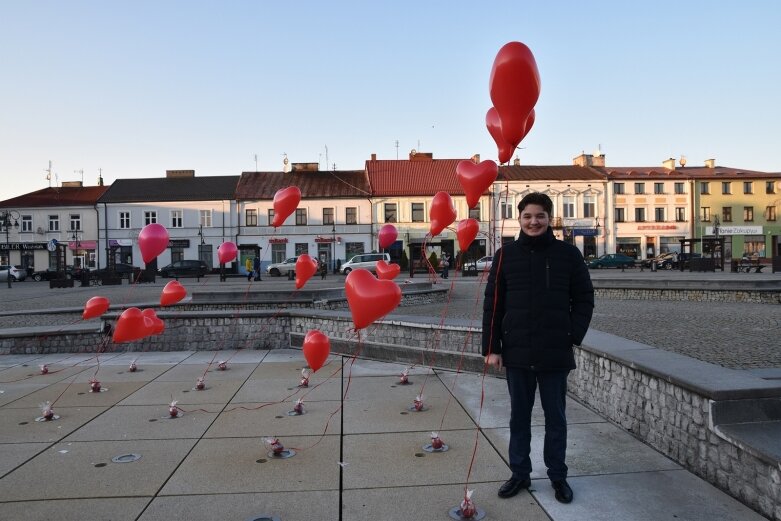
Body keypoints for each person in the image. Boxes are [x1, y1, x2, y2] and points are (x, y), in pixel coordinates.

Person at [482, 192, 594, 505]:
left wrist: (572, 334)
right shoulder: (506, 255)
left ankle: (558, 475)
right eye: (528, 216)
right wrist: (491, 347)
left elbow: (584, 298)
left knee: (555, 418)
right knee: (519, 418)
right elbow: (493, 304)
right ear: (519, 219)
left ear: (549, 218)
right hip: (516, 352)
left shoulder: (568, 255)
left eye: (540, 216)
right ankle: (520, 473)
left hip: (554, 353)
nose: (534, 221)